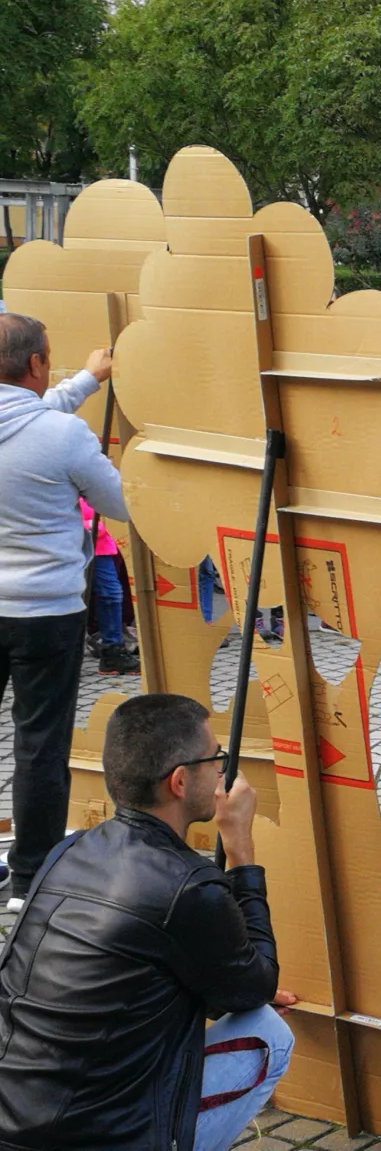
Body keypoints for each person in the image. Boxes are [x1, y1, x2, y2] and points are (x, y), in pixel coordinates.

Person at [0, 693, 296, 1150]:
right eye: (215, 758)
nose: (222, 771)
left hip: (15, 1116)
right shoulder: (188, 888)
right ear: (180, 781)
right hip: (100, 1136)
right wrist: (239, 850)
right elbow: (256, 987)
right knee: (269, 1034)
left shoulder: (70, 849)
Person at [0, 315, 128, 909]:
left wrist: (84, 381)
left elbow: (26, 415)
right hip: (45, 611)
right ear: (35, 364)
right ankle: (30, 879)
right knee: (40, 745)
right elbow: (121, 504)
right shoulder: (62, 436)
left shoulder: (46, 421)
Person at [80, 499, 136, 674]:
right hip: (71, 542)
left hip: (100, 544)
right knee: (69, 598)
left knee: (112, 595)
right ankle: (63, 657)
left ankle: (112, 651)